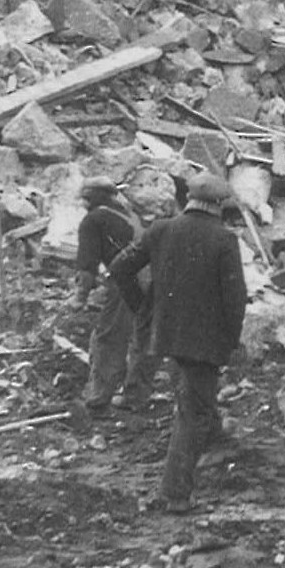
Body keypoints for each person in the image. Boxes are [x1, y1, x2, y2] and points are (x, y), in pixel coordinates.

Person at [109, 174, 249, 516]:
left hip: (168, 332)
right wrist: (232, 340)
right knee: (193, 411)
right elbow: (236, 297)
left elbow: (119, 267)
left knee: (195, 394)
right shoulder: (224, 239)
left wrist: (142, 306)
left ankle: (215, 437)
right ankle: (175, 493)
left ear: (188, 198)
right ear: (219, 205)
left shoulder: (160, 229)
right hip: (205, 338)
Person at [73, 180, 156, 425]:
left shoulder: (92, 221)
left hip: (126, 280)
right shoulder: (128, 214)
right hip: (153, 279)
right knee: (143, 337)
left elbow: (87, 266)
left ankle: (98, 399)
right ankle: (136, 396)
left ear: (89, 198)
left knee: (110, 336)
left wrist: (80, 298)